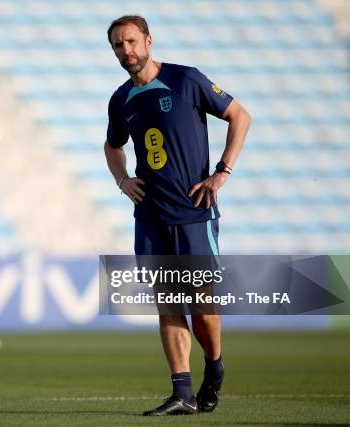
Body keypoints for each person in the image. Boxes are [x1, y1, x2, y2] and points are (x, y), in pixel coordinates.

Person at [104, 15, 250, 416]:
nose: (126, 51)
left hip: (193, 214)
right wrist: (123, 180)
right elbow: (111, 145)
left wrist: (222, 171)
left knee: (202, 306)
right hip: (150, 217)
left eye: (131, 41)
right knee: (167, 303)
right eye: (118, 45)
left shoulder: (187, 80)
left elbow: (241, 116)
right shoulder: (121, 99)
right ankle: (182, 392)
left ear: (149, 41)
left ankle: (215, 367)